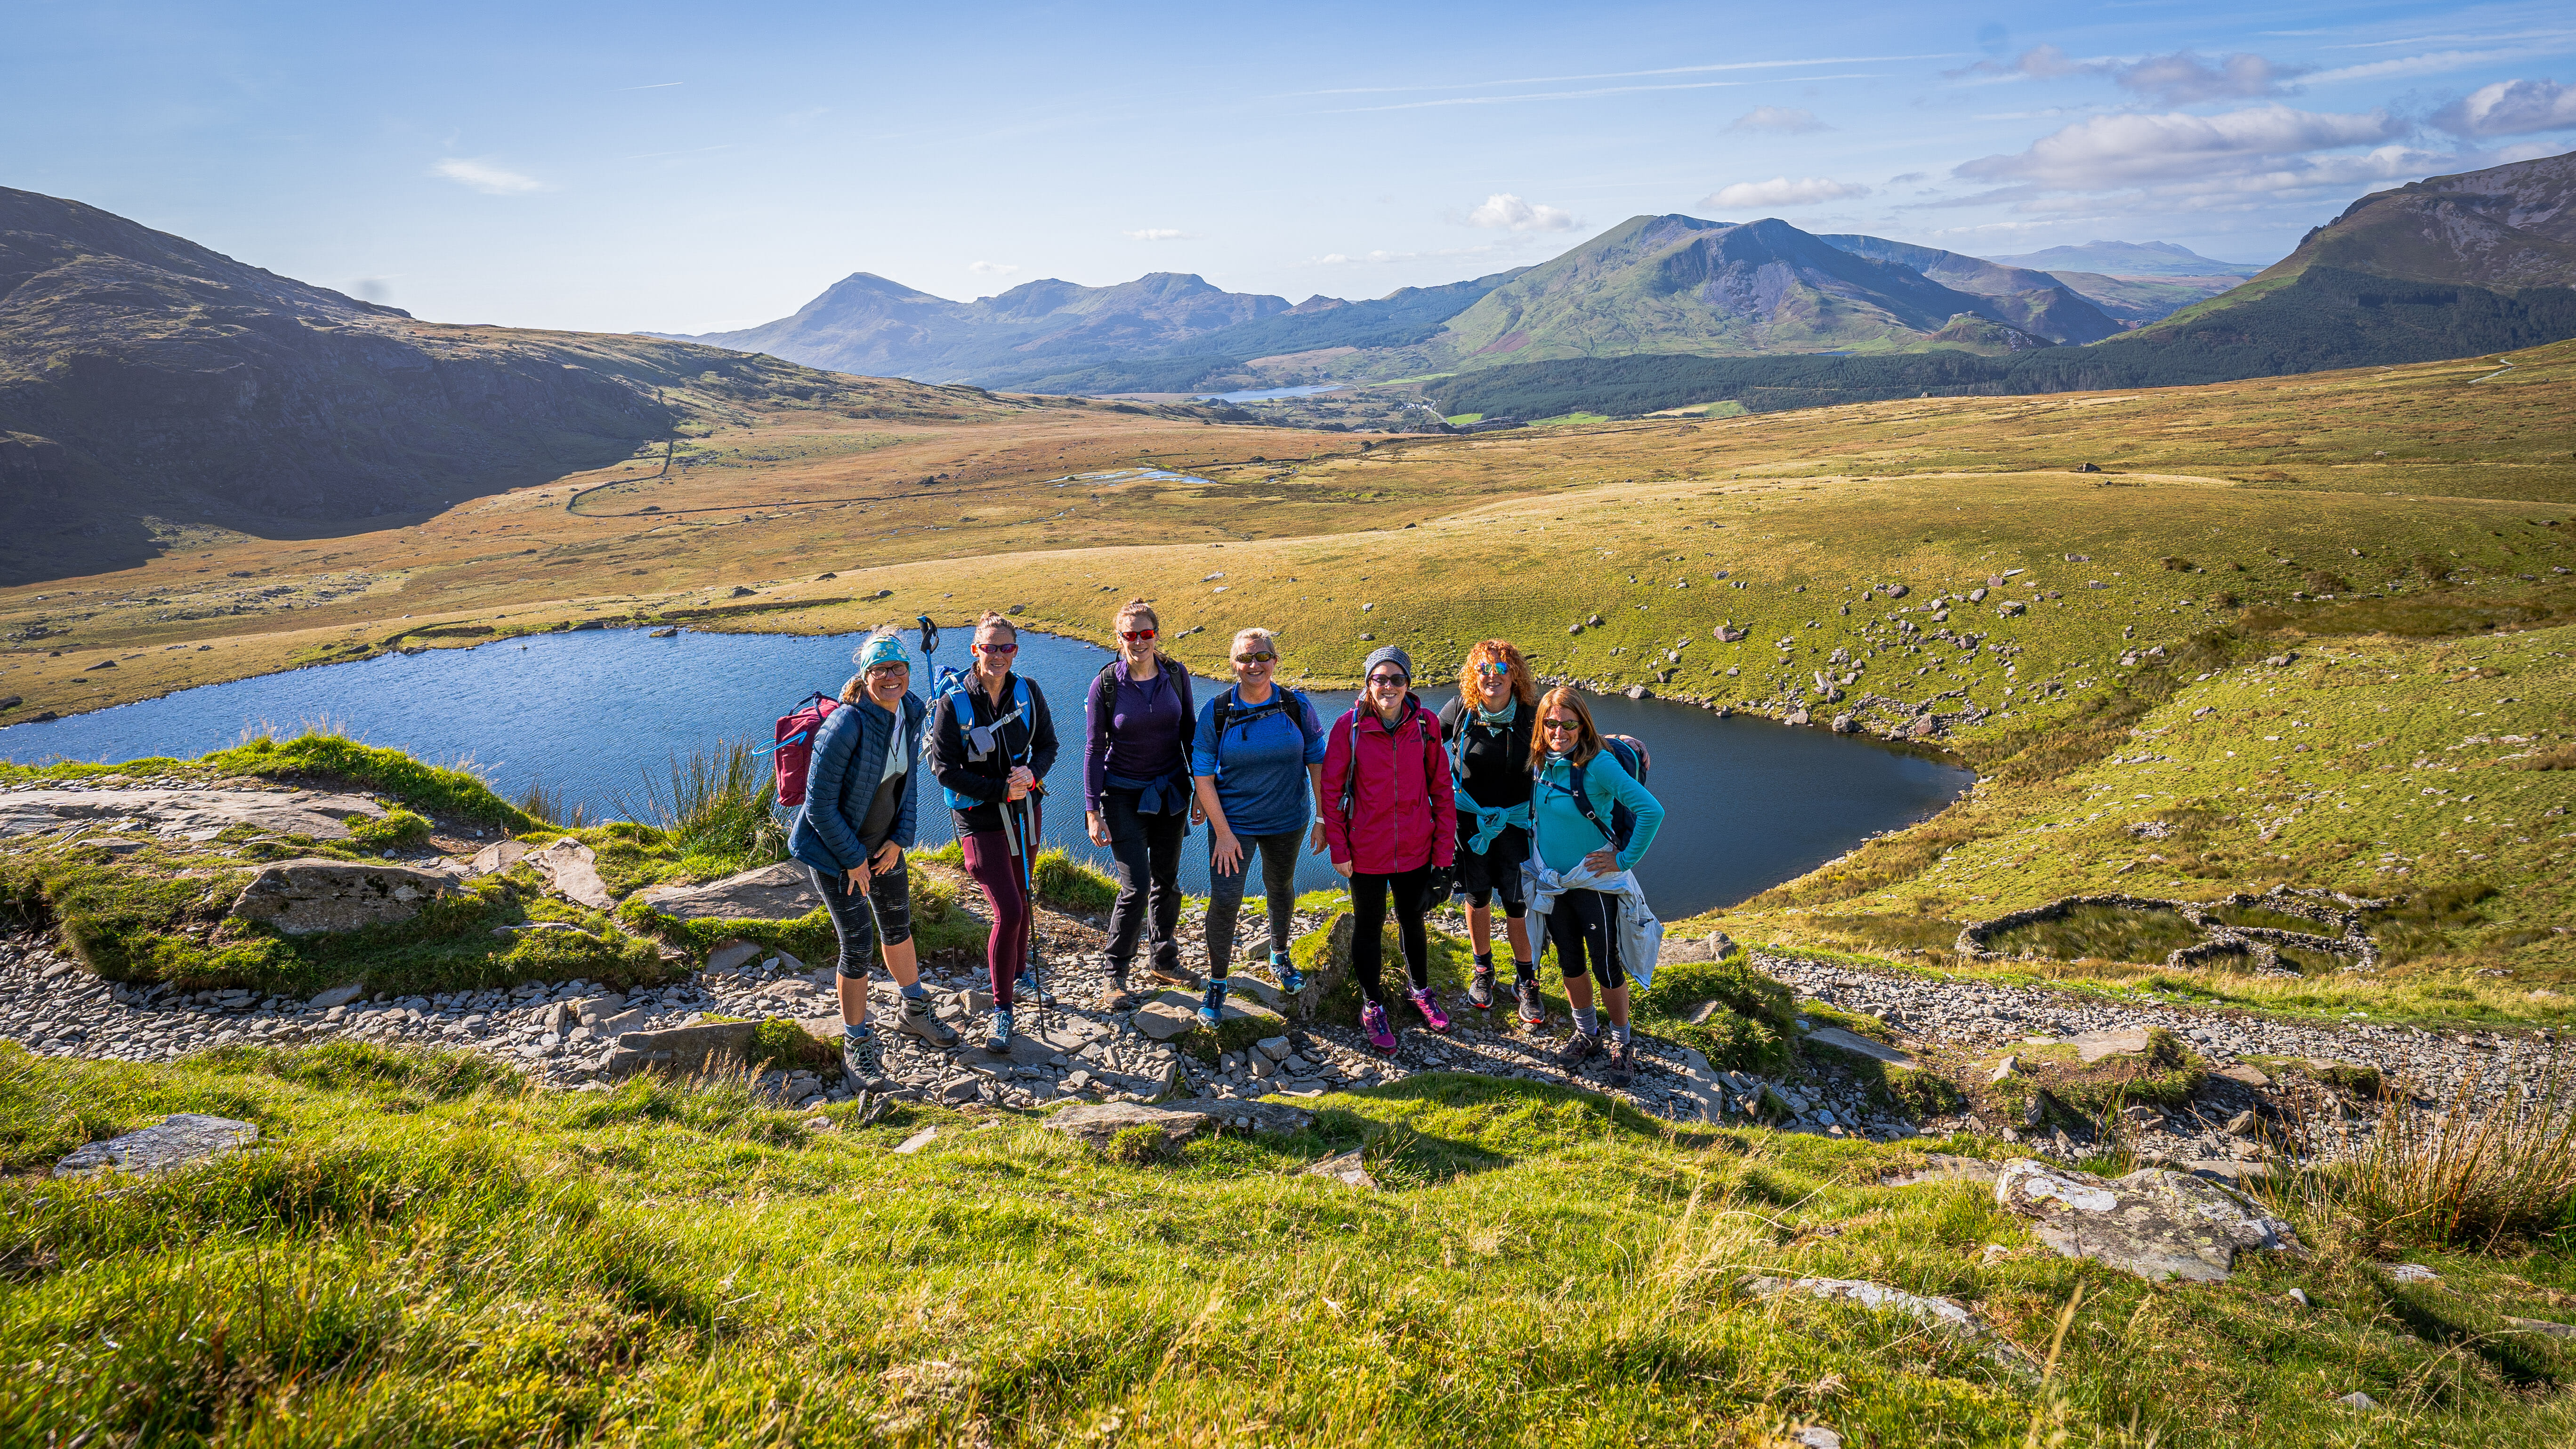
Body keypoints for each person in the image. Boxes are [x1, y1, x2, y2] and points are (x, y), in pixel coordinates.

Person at [787, 631, 958, 1078]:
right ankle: (857, 1041)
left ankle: (914, 1011)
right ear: (864, 676)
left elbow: (908, 784)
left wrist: (900, 839)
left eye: (897, 668)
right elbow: (818, 805)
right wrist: (852, 859)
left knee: (898, 926)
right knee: (858, 944)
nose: (890, 677)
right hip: (832, 852)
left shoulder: (911, 710)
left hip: (884, 847)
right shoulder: (845, 724)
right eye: (879, 669)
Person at [928, 612, 1059, 1051]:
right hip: (980, 818)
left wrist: (1031, 776)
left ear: (1015, 651)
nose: (998, 655)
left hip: (1025, 809)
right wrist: (999, 790)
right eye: (989, 647)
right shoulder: (953, 704)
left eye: (1006, 648)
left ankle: (1019, 978)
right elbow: (943, 769)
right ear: (975, 650)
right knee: (1009, 909)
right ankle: (1002, 1011)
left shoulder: (1028, 691)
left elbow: (1047, 747)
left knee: (1023, 897)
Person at [1318, 644, 1457, 1053]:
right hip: (1366, 850)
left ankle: (1420, 990)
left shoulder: (1427, 725)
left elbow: (1442, 792)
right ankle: (1372, 1003)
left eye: (1397, 679)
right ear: (1368, 684)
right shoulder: (1350, 727)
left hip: (1416, 846)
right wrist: (1339, 849)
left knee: (1413, 920)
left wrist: (1443, 856)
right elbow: (1331, 790)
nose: (1389, 686)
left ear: (1408, 684)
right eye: (1380, 679)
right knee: (1369, 924)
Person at [1527, 686, 1664, 1087]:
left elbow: (1650, 811)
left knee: (1605, 965)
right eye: (1550, 723)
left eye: (1568, 724)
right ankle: (1587, 1033)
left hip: (1593, 883)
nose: (1558, 731)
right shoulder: (1540, 762)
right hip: (1554, 883)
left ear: (1582, 724)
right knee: (1569, 961)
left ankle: (1621, 1043)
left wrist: (1623, 861)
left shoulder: (1598, 763)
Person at [1189, 627, 1326, 1026]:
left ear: (1274, 661)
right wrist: (1225, 833)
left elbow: (1317, 761)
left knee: (1280, 886)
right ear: (1234, 664)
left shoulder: (1296, 706)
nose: (1254, 665)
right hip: (1233, 824)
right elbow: (1202, 776)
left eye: (1262, 657)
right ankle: (1217, 982)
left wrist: (1322, 818)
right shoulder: (1216, 711)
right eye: (1246, 659)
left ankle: (1279, 955)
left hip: (1288, 819)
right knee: (1227, 898)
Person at [1084, 598, 1196, 1010]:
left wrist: (1201, 791)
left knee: (1167, 880)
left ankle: (1164, 960)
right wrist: (1092, 809)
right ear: (1118, 638)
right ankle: (1115, 976)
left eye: (1145, 634)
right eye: (1129, 635)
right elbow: (1095, 749)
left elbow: (1190, 735)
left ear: (1156, 634)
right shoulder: (1106, 684)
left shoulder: (1175, 674)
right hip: (1122, 795)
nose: (1138, 641)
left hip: (1170, 792)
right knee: (1135, 886)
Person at [1437, 639, 1542, 1028]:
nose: (1492, 676)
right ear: (1473, 674)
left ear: (1514, 673)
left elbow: (1573, 739)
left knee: (1517, 904)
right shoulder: (1462, 710)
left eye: (1501, 669)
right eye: (1484, 669)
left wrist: (1618, 746)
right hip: (1470, 824)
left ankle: (1526, 979)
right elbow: (1424, 738)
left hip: (1516, 825)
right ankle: (1483, 971)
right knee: (1476, 896)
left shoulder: (1532, 714)